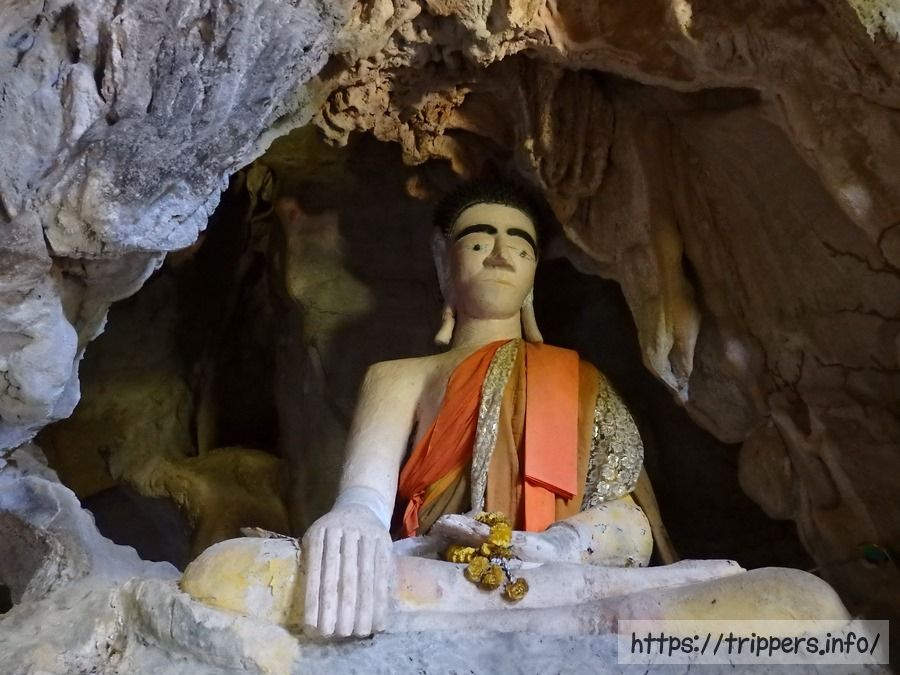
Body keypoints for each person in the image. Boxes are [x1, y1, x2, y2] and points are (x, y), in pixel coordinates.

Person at [300, 180, 656, 638]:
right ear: (443, 263)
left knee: (728, 594)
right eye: (478, 242)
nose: (501, 256)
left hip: (552, 576)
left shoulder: (577, 379)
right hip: (434, 568)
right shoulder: (397, 377)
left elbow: (630, 526)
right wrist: (352, 520)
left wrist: (553, 546)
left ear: (533, 279)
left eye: (521, 248)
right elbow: (365, 497)